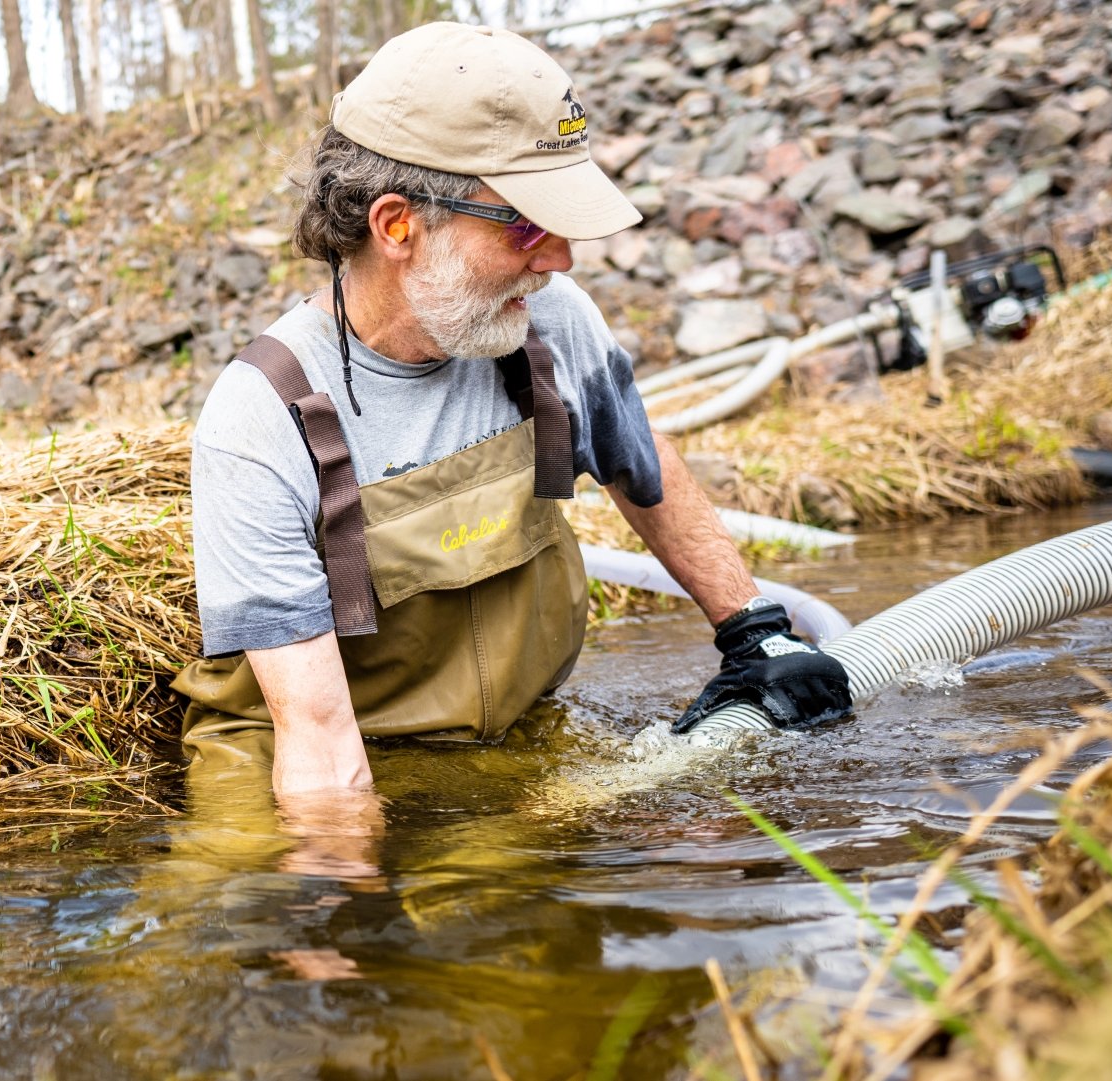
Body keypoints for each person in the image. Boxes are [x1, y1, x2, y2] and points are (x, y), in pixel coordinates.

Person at [171, 22, 853, 800]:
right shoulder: (262, 417)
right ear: (398, 225)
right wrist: (352, 907)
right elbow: (321, 749)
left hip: (507, 734)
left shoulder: (547, 317)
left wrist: (751, 631)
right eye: (529, 223)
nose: (561, 259)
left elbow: (640, 461)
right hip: (301, 764)